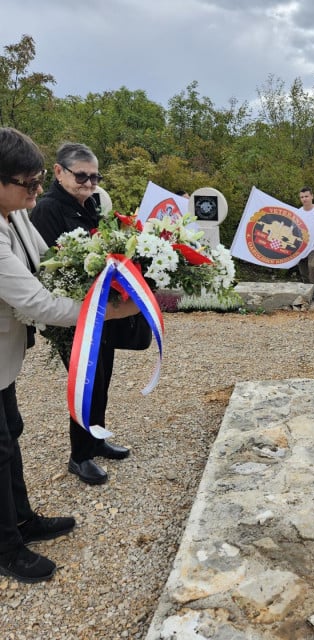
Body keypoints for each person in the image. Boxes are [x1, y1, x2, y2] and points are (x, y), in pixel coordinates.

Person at [0, 127, 137, 583]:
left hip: (4, 355)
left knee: (11, 433)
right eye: (29, 183)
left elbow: (46, 262)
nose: (37, 192)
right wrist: (102, 313)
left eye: (39, 181)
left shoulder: (15, 211)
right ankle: (7, 547)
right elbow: (34, 301)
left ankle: (23, 520)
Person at [30, 143, 132, 485]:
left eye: (94, 176)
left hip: (98, 310)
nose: (89, 183)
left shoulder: (92, 204)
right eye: (81, 176)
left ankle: (97, 438)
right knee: (86, 383)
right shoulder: (46, 210)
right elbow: (51, 268)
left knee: (103, 377)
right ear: (59, 172)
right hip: (71, 317)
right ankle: (80, 456)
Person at [296, 186, 314, 302]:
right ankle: (308, 292)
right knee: (303, 271)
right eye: (302, 197)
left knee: (313, 266)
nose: (304, 199)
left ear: (312, 196)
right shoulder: (298, 212)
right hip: (301, 247)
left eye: (306, 196)